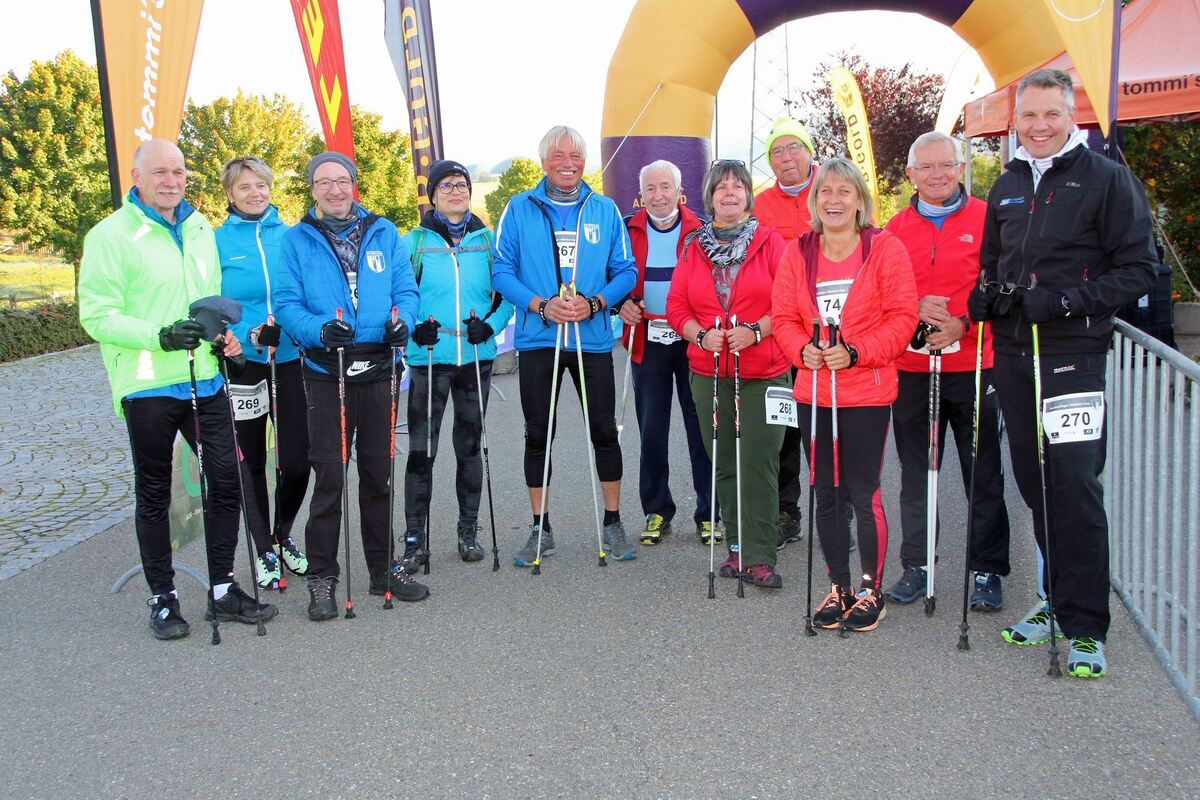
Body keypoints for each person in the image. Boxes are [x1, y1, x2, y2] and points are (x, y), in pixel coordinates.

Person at [970, 68, 1157, 678]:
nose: (1040, 126)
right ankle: (1056, 600)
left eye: (1051, 114)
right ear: (1016, 119)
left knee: (1074, 485)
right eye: (1029, 116)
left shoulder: (1106, 179)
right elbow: (993, 261)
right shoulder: (1010, 182)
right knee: (1036, 484)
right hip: (1014, 356)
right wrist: (986, 297)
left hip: (1072, 354)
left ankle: (1086, 626)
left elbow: (1139, 270)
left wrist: (1068, 301)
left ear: (1071, 114)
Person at [79, 138, 277, 640]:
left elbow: (207, 300)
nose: (172, 181)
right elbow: (97, 314)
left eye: (180, 172)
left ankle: (222, 588)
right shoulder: (111, 234)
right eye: (161, 172)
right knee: (154, 494)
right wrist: (159, 335)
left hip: (205, 378)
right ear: (137, 176)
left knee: (226, 480)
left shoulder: (198, 226)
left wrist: (222, 335)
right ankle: (163, 598)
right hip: (147, 383)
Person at [275, 151, 428, 621]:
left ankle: (382, 569)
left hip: (379, 367)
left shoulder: (384, 232)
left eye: (343, 181)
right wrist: (317, 328)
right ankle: (322, 576)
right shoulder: (295, 240)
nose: (335, 190)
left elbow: (406, 289)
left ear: (354, 184)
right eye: (325, 183)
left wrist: (404, 320)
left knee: (378, 476)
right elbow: (285, 303)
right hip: (327, 371)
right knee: (330, 478)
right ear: (312, 189)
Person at [773, 157, 918, 630]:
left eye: (844, 191)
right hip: (815, 391)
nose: (833, 200)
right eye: (825, 192)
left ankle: (871, 587)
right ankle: (838, 585)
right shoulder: (800, 252)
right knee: (826, 492)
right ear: (815, 202)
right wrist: (802, 350)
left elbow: (902, 318)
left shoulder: (885, 249)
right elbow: (783, 320)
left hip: (866, 393)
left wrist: (856, 353)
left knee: (863, 492)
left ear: (859, 199)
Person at [492, 125, 638, 566]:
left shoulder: (605, 210)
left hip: (592, 340)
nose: (568, 163)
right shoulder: (518, 209)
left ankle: (612, 521)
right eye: (558, 156)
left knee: (604, 433)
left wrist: (596, 303)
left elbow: (626, 271)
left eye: (575, 155)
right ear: (544, 162)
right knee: (538, 435)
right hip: (540, 339)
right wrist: (541, 305)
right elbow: (501, 272)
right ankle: (541, 528)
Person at [882, 132, 1011, 611]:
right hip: (913, 369)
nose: (937, 175)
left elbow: (1002, 286)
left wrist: (965, 321)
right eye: (926, 168)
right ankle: (918, 565)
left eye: (946, 165)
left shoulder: (988, 219)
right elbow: (881, 296)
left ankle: (987, 570)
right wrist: (913, 308)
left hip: (976, 364)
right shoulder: (893, 229)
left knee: (983, 473)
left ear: (961, 168)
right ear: (911, 175)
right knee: (917, 473)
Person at [666, 159, 791, 588]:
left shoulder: (772, 243)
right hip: (709, 371)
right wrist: (700, 336)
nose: (730, 193)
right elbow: (676, 307)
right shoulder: (692, 246)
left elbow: (791, 305)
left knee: (758, 461)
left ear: (748, 196)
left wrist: (755, 331)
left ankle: (760, 554)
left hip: (766, 371)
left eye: (738, 186)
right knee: (724, 461)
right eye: (722, 187)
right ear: (710, 197)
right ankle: (736, 547)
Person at [399, 159, 513, 571]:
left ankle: (468, 529)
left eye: (461, 184)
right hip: (429, 360)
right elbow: (400, 295)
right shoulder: (412, 242)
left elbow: (506, 295)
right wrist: (413, 329)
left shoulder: (487, 241)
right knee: (421, 453)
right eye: (445, 185)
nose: (454, 191)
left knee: (469, 449)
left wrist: (491, 327)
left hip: (475, 362)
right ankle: (414, 538)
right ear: (432, 195)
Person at [214, 156, 311, 590]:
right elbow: (209, 304)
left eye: (261, 185)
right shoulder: (216, 241)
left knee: (297, 459)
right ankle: (262, 548)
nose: (255, 193)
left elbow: (308, 292)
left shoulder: (292, 237)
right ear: (229, 195)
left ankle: (282, 531)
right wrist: (245, 333)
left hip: (290, 359)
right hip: (243, 363)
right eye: (244, 187)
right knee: (250, 459)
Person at [618, 159, 717, 547]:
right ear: (640, 196)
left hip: (692, 340)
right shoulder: (628, 229)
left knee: (701, 429)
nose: (658, 196)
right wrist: (621, 303)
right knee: (652, 430)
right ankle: (657, 510)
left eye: (666, 187)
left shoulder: (702, 230)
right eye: (650, 189)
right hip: (647, 339)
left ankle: (710, 512)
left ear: (681, 192)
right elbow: (615, 275)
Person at [754, 116, 821, 549]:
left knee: (828, 428)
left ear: (809, 152)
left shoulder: (834, 189)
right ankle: (786, 512)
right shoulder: (760, 205)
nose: (786, 157)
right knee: (785, 429)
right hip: (782, 336)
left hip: (833, 335)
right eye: (777, 151)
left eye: (794, 147)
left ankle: (840, 511)